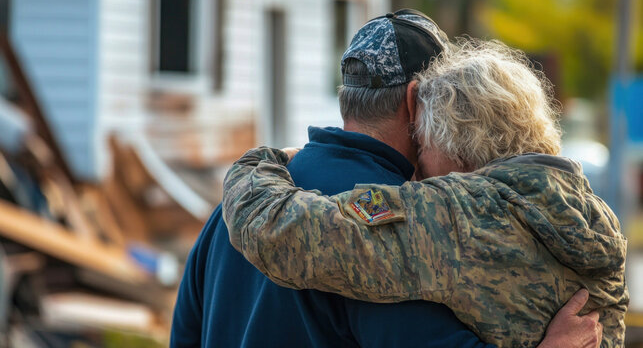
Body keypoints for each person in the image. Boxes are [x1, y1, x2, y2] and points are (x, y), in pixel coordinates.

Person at [221, 38, 626, 347]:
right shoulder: (587, 211)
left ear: (456, 144)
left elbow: (280, 232)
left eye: (423, 141)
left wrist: (258, 163)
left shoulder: (455, 214)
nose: (417, 166)